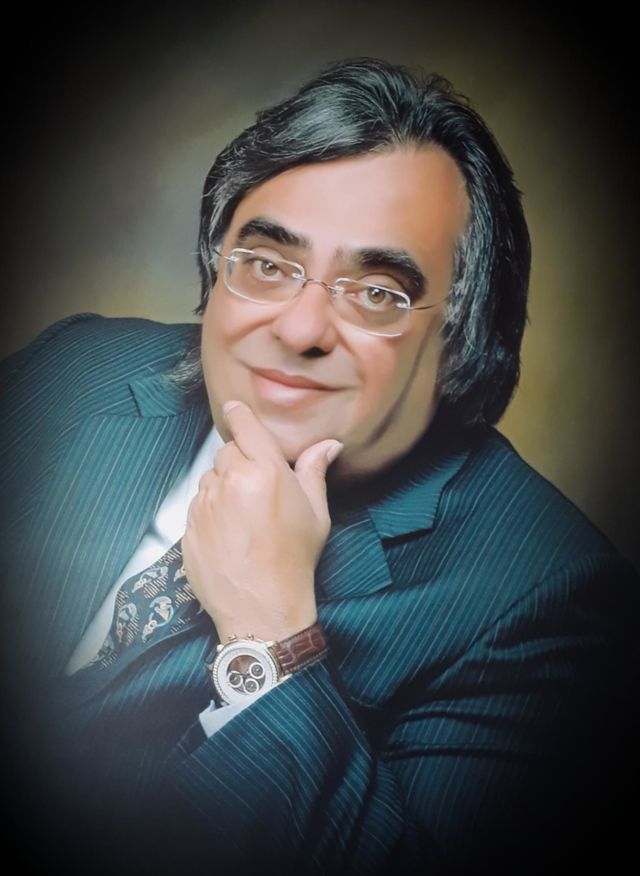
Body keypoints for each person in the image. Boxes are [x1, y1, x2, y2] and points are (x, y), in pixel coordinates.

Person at [0, 58, 637, 875]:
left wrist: (269, 640)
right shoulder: (76, 366)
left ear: (458, 340)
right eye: (267, 264)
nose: (301, 329)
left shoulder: (546, 600)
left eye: (376, 292)